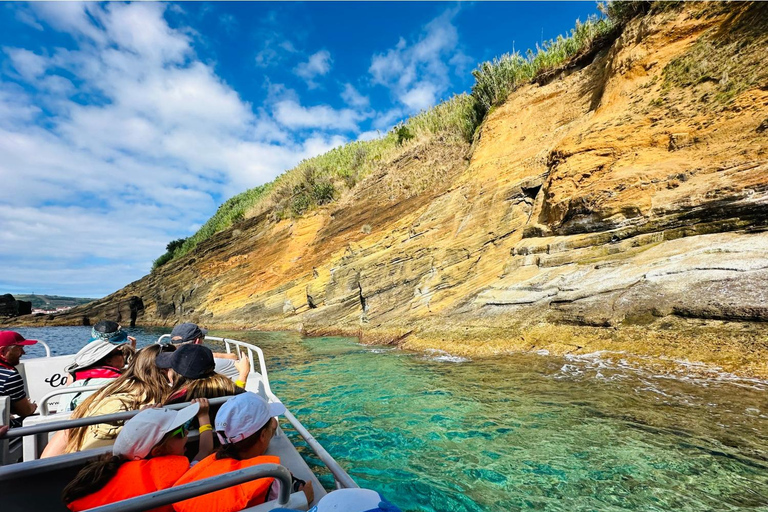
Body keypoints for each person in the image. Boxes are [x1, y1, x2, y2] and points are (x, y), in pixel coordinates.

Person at [61, 399, 213, 512]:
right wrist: (203, 416)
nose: (186, 432)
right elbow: (205, 450)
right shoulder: (177, 475)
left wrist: (145, 418)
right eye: (179, 432)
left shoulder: (104, 474)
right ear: (158, 451)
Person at [172, 392, 313, 512]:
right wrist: (304, 499)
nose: (273, 425)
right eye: (270, 423)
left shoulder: (201, 467)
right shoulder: (272, 477)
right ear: (263, 436)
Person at [42, 345, 169, 458]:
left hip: (74, 459)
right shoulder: (152, 398)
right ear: (165, 371)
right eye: (121, 354)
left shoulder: (106, 390)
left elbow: (67, 432)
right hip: (99, 466)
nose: (124, 356)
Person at [157, 344, 246, 405]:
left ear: (178, 374)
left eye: (169, 369)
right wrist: (243, 374)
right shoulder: (228, 388)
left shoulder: (176, 401)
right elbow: (240, 397)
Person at [59, 339, 126, 412]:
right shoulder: (122, 383)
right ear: (108, 361)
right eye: (120, 353)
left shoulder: (74, 386)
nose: (124, 355)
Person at [163, 323, 242, 380]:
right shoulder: (211, 364)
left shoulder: (164, 362)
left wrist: (217, 355)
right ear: (197, 341)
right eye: (202, 337)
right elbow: (237, 362)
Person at [0, 331, 39, 426]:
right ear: (2, 351)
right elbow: (25, 412)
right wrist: (32, 406)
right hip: (6, 436)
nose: (23, 353)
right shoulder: (10, 377)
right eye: (19, 348)